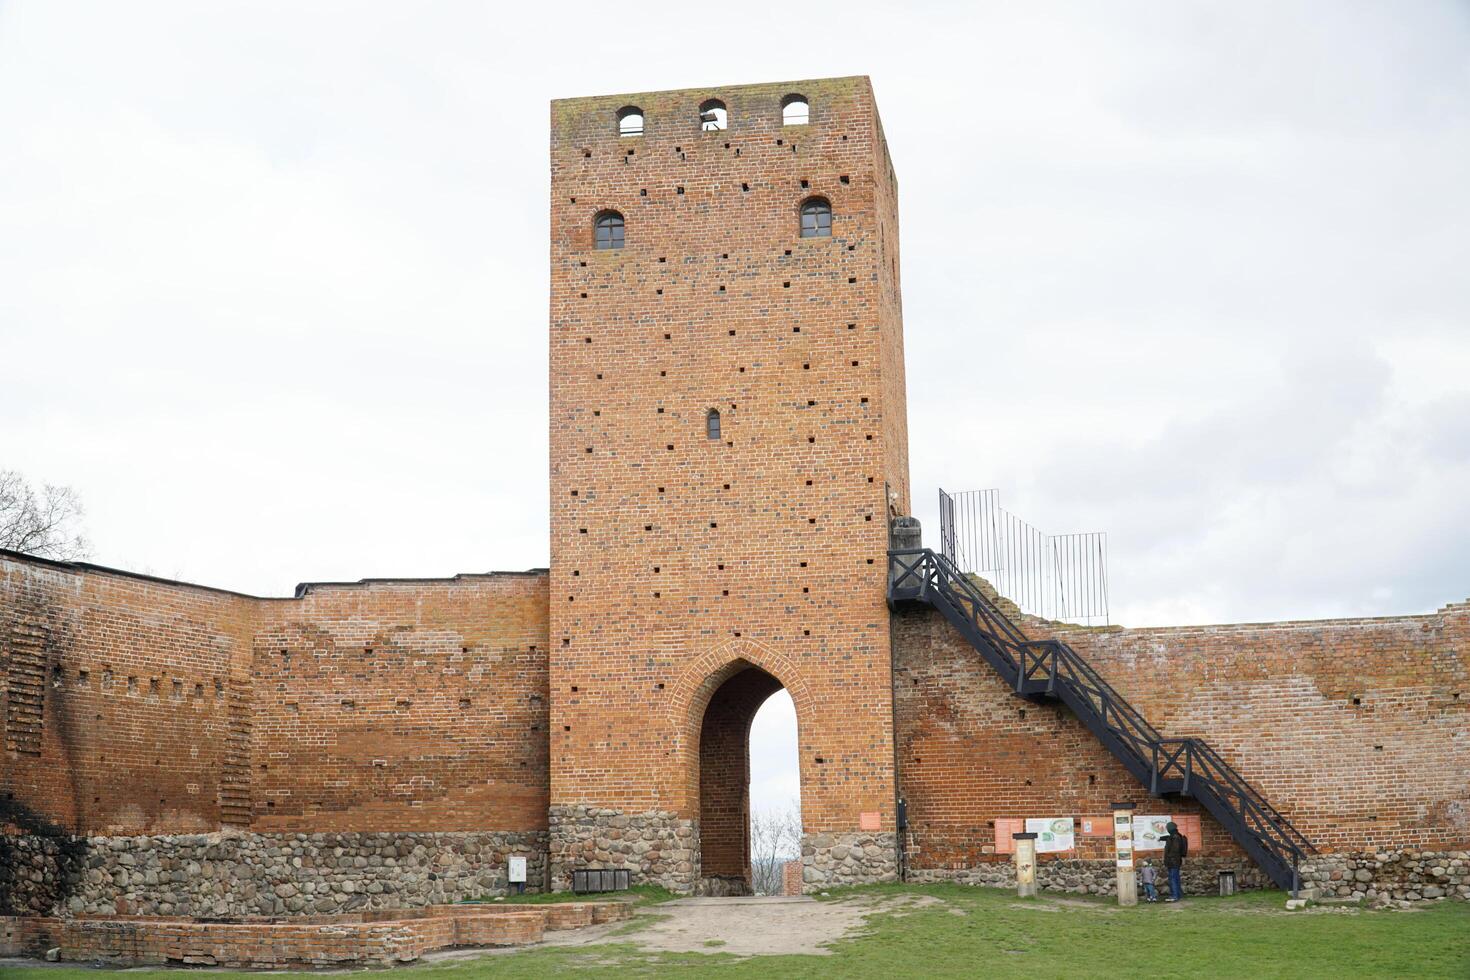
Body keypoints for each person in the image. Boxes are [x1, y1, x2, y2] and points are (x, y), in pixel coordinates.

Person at [1162, 821, 1188, 901]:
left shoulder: (1175, 837)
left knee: (1173, 878)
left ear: (1170, 829)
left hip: (1173, 862)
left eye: (1167, 828)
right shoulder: (1175, 836)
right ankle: (1178, 894)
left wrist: (1169, 858)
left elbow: (1175, 850)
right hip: (1175, 861)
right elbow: (1168, 838)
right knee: (1175, 878)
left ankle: (1174, 896)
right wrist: (1161, 838)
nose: (1167, 830)